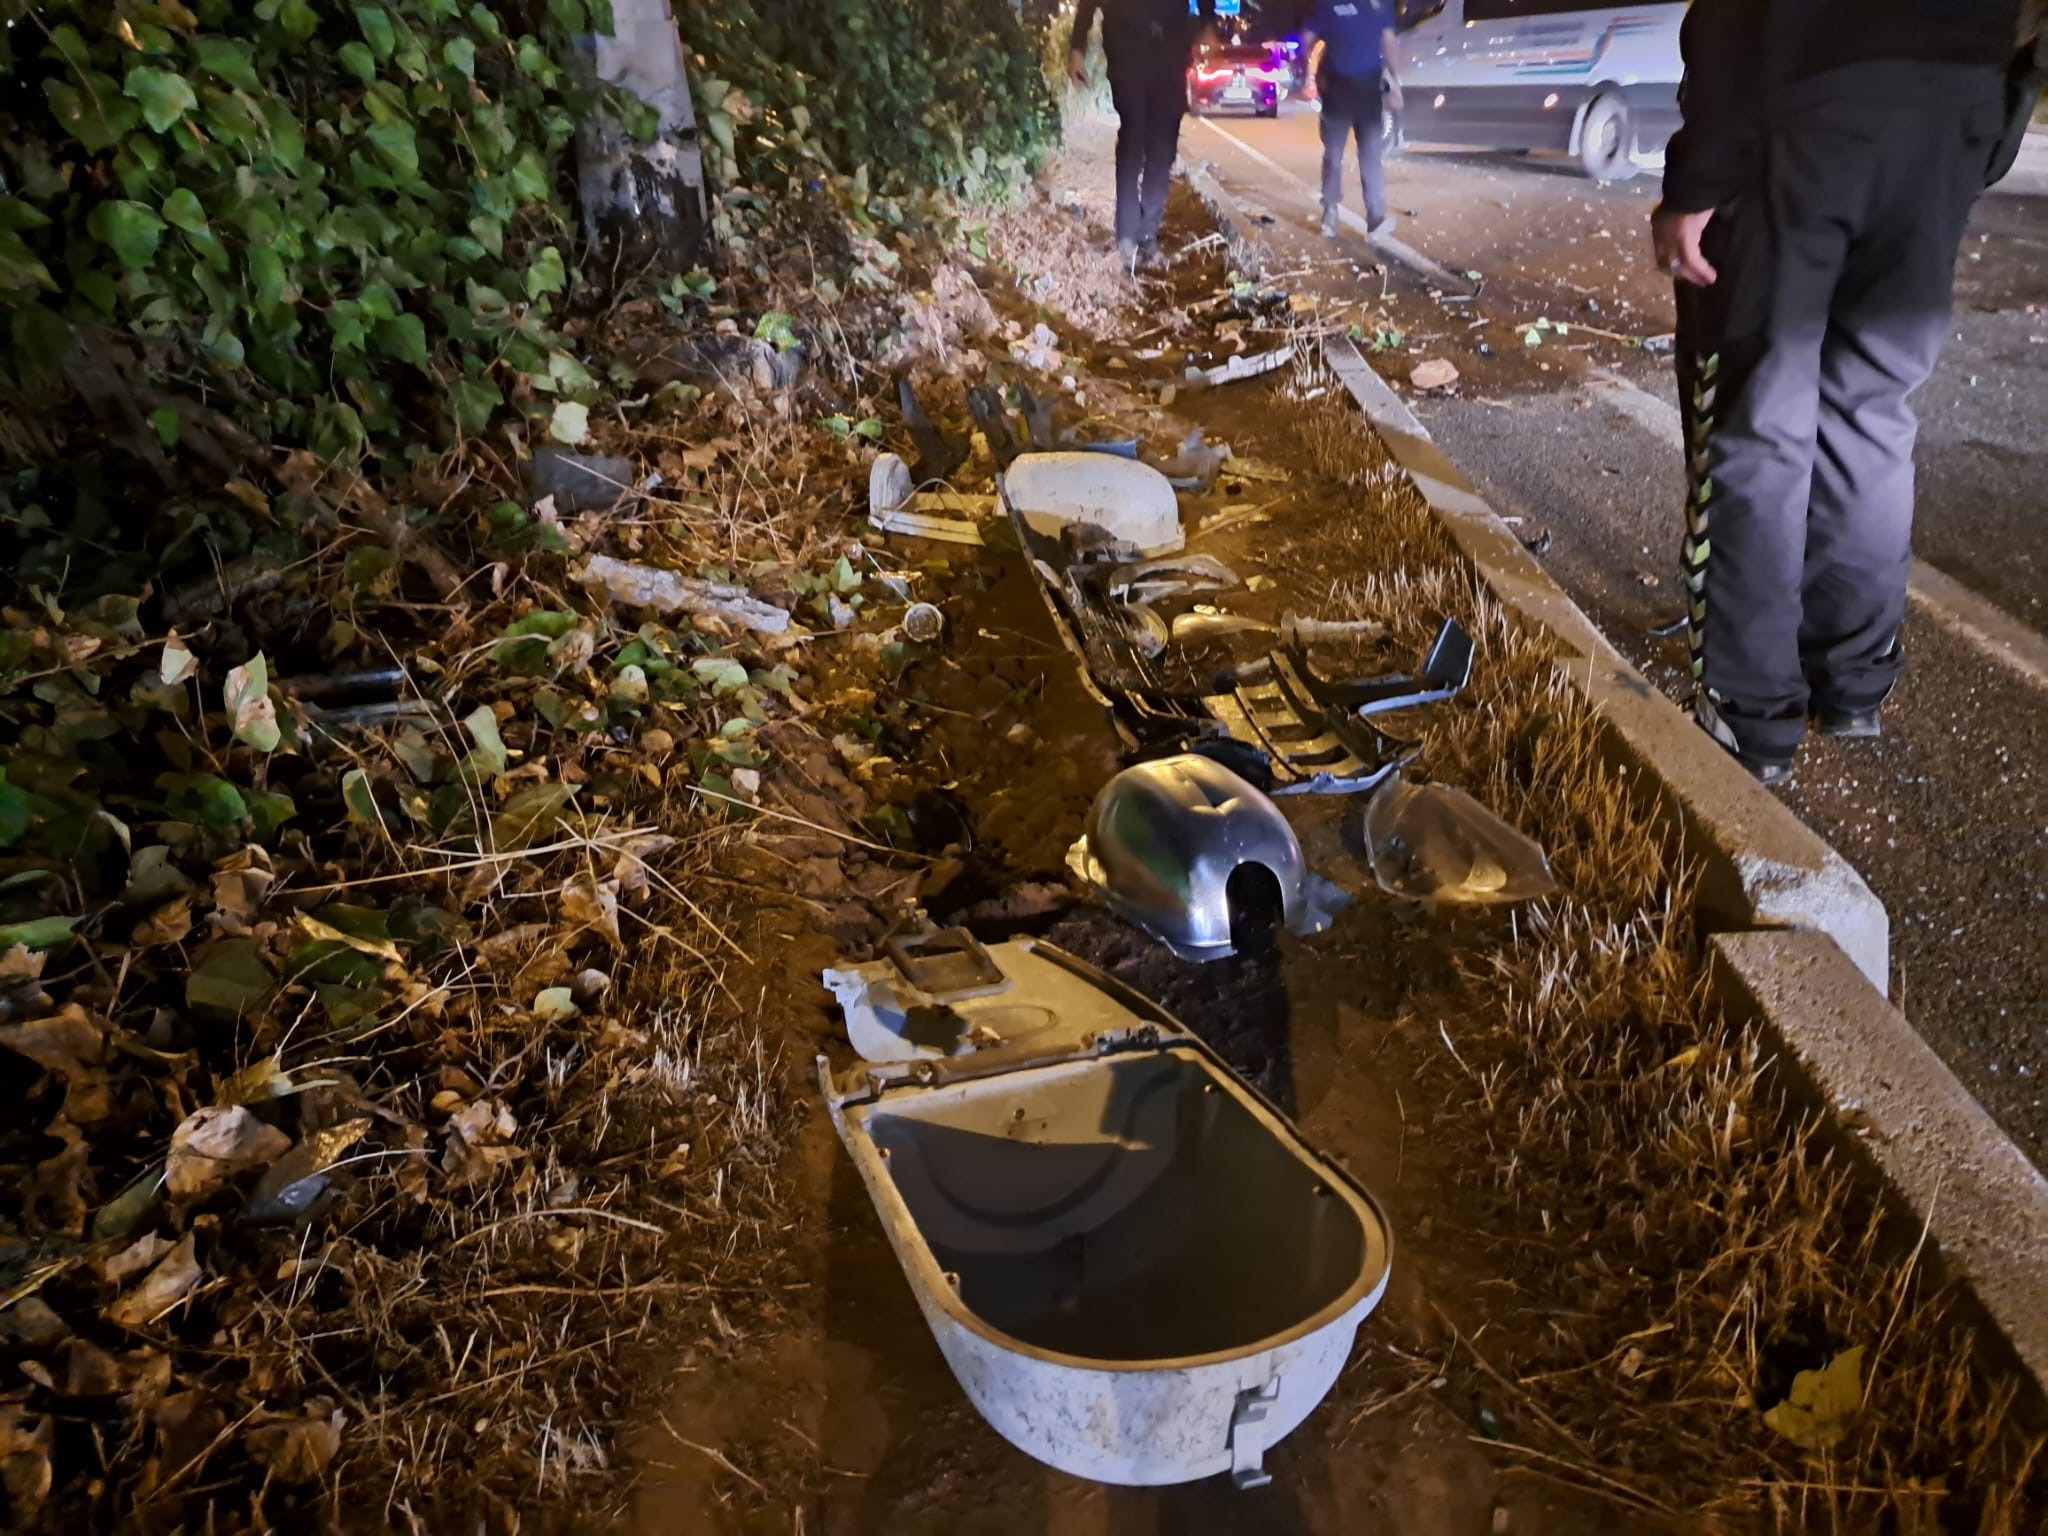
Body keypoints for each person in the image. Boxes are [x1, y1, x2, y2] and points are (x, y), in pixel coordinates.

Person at [1651, 0, 2030, 784]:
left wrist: (1699, 176)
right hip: (1949, 108)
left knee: (1759, 425)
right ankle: (1853, 680)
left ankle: (1751, 712)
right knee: (1874, 413)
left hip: (1801, 112)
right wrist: (1995, 109)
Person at [1068, 0, 1219, 267]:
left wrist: (1209, 23)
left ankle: (1148, 234)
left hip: (1170, 50)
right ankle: (1127, 235)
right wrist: (1077, 48)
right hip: (1127, 48)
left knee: (1163, 147)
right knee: (1132, 137)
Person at [1301, 0, 1402, 240]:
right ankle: (1330, 211)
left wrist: (1397, 83)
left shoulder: (1381, 4)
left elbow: (1388, 41)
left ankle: (1376, 219)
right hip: (1337, 91)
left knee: (1371, 155)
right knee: (1334, 154)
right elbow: (1307, 37)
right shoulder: (1329, 4)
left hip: (1369, 92)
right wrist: (1310, 72)